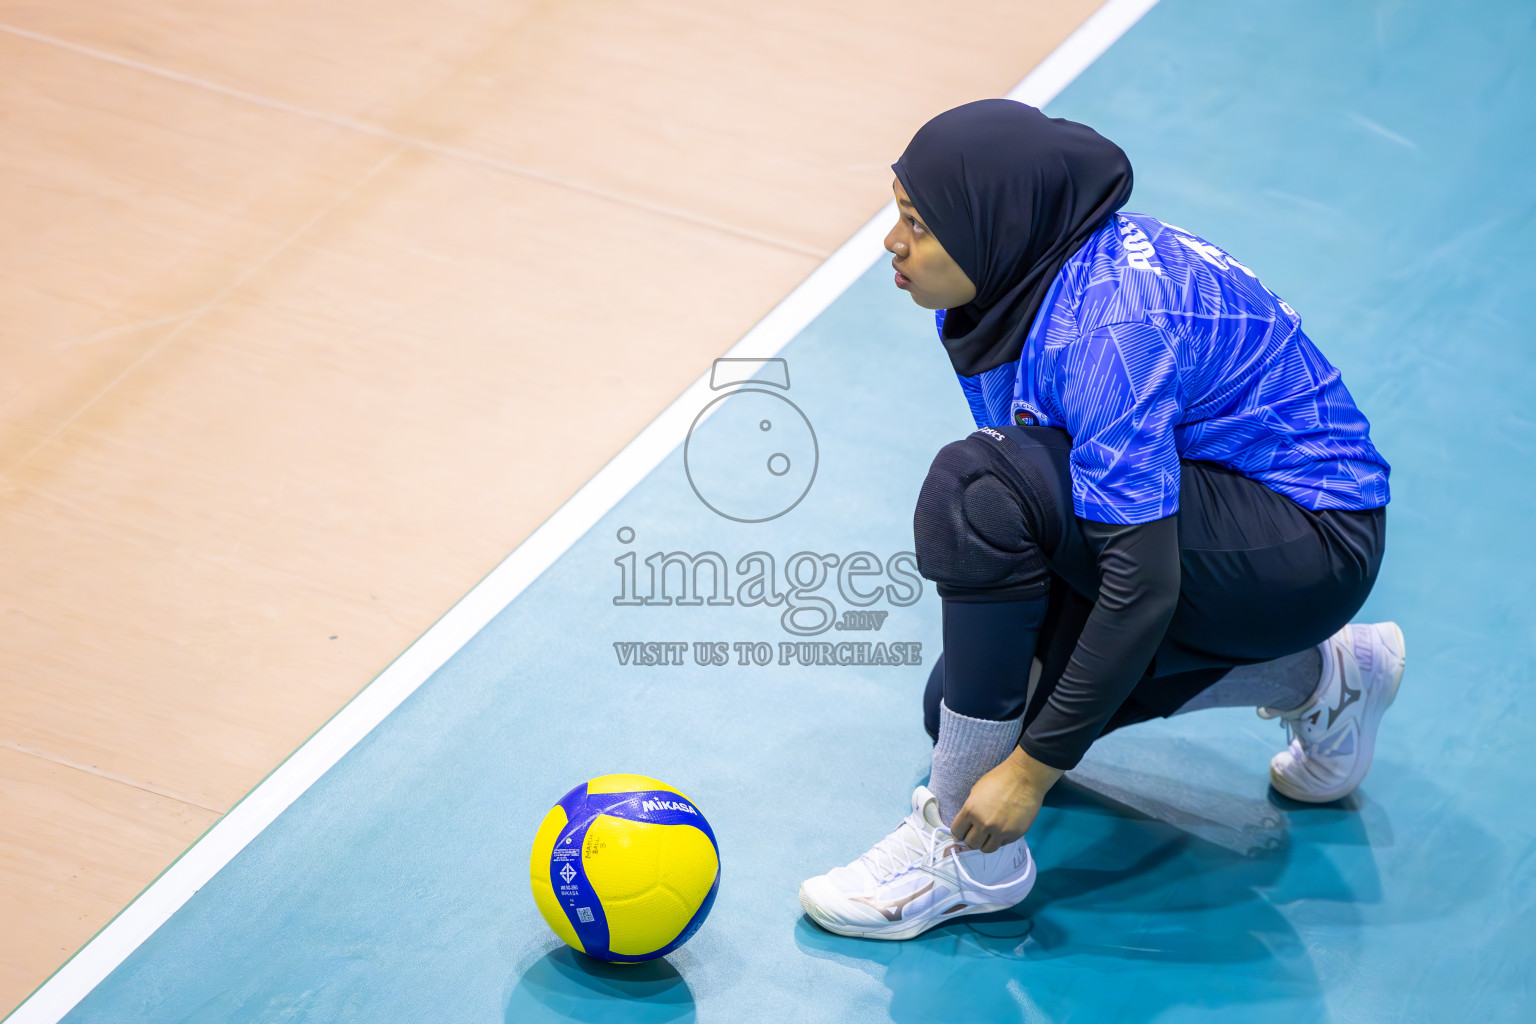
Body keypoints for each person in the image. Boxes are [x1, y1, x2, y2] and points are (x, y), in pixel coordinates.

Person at [797, 99, 1402, 941]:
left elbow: (1141, 583)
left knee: (977, 491)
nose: (892, 244)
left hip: (1307, 537)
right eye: (897, 213)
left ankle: (965, 858)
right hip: (1213, 508)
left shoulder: (1110, 328)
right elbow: (1063, 496)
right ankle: (1325, 676)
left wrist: (1033, 773)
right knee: (966, 710)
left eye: (918, 225)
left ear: (992, 226)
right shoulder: (1009, 280)